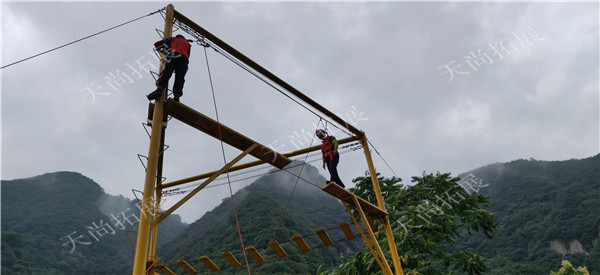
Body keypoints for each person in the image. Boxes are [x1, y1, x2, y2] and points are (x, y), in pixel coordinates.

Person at [147, 34, 191, 102]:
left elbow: (157, 43)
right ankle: (177, 95)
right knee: (180, 78)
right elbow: (188, 55)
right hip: (184, 61)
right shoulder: (188, 44)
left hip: (173, 56)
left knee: (166, 72)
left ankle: (159, 89)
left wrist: (161, 48)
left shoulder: (172, 39)